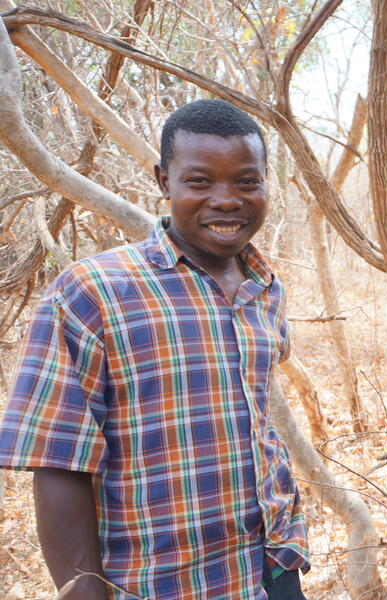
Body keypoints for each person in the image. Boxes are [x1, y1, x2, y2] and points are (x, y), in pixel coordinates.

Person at [0, 99, 308, 599]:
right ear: (165, 181)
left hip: (272, 570)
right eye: (200, 181)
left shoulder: (264, 286)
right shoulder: (92, 291)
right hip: (162, 584)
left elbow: (252, 420)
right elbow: (58, 461)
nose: (226, 200)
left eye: (246, 182)